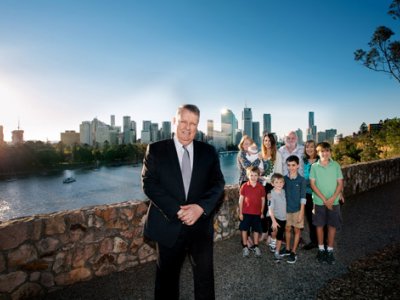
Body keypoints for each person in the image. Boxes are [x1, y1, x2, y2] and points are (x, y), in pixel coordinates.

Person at [142, 104, 225, 300]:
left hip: (200, 228)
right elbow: (149, 184)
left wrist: (200, 208)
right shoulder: (156, 150)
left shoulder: (208, 152)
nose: (188, 128)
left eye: (193, 124)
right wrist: (178, 211)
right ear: (174, 121)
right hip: (168, 225)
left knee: (204, 280)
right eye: (184, 122)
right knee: (166, 282)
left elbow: (218, 183)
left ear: (198, 126)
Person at [310, 142, 344, 265]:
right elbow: (313, 185)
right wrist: (325, 200)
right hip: (319, 202)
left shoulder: (335, 165)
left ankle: (329, 250)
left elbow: (340, 183)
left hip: (334, 202)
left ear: (330, 152)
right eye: (322, 151)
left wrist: (332, 199)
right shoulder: (314, 167)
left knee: (332, 226)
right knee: (319, 226)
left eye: (327, 151)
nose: (325, 153)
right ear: (318, 153)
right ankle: (321, 250)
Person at [259, 133, 283, 245]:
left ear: (273, 142)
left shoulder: (277, 155)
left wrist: (271, 183)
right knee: (262, 210)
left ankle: (270, 234)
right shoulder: (260, 155)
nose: (267, 143)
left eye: (269, 140)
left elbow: (278, 174)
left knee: (270, 210)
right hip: (261, 185)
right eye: (265, 140)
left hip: (271, 186)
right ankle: (263, 232)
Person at [238, 166, 265, 258]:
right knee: (244, 229)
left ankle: (256, 246)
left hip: (257, 213)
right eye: (251, 175)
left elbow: (263, 200)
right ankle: (245, 247)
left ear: (259, 176)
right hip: (246, 212)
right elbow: (241, 200)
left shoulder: (261, 187)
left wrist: (261, 212)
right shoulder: (244, 186)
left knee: (256, 230)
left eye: (255, 175)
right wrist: (241, 213)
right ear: (248, 176)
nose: (253, 177)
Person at [283, 155, 306, 264]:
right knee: (287, 229)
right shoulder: (284, 179)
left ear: (298, 165)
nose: (291, 167)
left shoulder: (302, 180)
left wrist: (302, 212)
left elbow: (303, 198)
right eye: (289, 165)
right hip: (286, 210)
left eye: (293, 165)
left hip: (297, 210)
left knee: (297, 230)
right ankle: (287, 249)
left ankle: (293, 251)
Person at [302, 140, 320, 250]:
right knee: (310, 218)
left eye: (312, 147)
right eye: (307, 147)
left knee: (321, 218)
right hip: (307, 194)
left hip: (319, 194)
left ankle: (324, 241)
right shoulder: (303, 161)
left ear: (315, 148)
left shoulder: (320, 160)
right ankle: (314, 241)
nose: (309, 149)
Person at [267, 173, 287, 263]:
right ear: (272, 183)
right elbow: (270, 209)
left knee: (280, 235)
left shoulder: (283, 192)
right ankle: (272, 240)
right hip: (274, 217)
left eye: (281, 182)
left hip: (283, 218)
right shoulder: (271, 194)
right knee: (274, 232)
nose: (279, 184)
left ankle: (277, 252)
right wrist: (274, 221)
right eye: (277, 182)